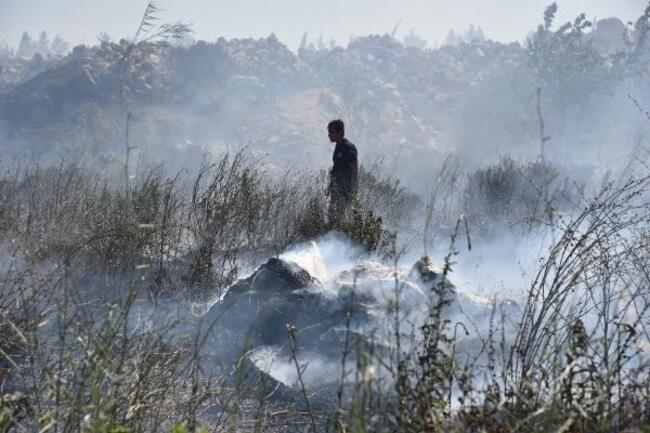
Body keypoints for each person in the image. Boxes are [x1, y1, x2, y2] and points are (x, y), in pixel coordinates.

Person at [326, 119, 358, 228]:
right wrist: (330, 187)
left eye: (332, 132)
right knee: (331, 216)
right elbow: (336, 168)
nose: (329, 135)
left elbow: (354, 170)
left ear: (340, 133)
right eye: (329, 132)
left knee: (339, 218)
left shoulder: (348, 148)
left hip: (345, 190)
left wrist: (353, 190)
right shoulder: (338, 146)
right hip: (336, 189)